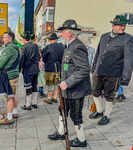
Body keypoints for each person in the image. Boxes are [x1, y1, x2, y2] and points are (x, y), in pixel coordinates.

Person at [48, 20, 92, 148]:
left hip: (76, 89)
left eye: (62, 32)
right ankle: (61, 133)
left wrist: (67, 82)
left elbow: (84, 70)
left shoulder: (78, 47)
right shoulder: (68, 46)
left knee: (75, 115)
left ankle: (81, 140)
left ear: (70, 33)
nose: (60, 35)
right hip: (66, 88)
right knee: (62, 110)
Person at [90, 15, 133, 125]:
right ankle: (99, 111)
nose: (123, 28)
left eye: (124, 25)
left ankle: (107, 116)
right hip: (99, 71)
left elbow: (129, 59)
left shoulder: (128, 39)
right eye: (120, 26)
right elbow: (98, 53)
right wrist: (94, 67)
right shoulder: (104, 36)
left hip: (114, 73)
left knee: (109, 96)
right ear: (113, 26)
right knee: (95, 92)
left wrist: (126, 78)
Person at [0, 31, 20, 124]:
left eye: (5, 37)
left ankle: (9, 118)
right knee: (14, 94)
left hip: (8, 76)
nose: (3, 39)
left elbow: (1, 63)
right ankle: (15, 112)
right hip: (15, 75)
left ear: (10, 39)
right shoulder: (16, 48)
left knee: (9, 97)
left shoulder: (8, 49)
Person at [19, 31, 40, 110]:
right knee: (34, 86)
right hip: (36, 69)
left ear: (24, 39)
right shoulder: (35, 46)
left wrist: (19, 70)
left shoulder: (24, 47)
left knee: (28, 87)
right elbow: (38, 56)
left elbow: (21, 60)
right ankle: (34, 103)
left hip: (28, 70)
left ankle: (27, 105)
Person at [42, 33, 64, 104]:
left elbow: (44, 58)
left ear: (50, 40)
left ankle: (49, 98)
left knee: (50, 84)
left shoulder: (48, 47)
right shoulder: (61, 47)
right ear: (57, 39)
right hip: (59, 69)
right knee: (57, 83)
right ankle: (55, 97)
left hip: (50, 68)